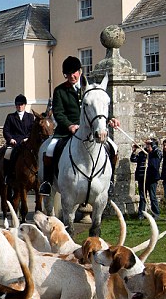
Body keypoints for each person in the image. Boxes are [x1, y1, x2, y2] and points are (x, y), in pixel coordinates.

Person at [39, 56, 120, 195]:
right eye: (68, 74)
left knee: (114, 148)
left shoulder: (92, 88)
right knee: (50, 150)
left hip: (90, 131)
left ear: (80, 71)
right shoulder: (60, 90)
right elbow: (58, 113)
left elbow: (98, 108)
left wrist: (111, 119)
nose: (71, 76)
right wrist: (70, 125)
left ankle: (110, 181)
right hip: (66, 131)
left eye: (74, 72)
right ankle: (47, 182)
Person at [2, 94, 35, 185]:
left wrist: (27, 138)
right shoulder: (10, 117)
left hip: (26, 142)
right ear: (15, 105)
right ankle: (7, 176)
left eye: (21, 104)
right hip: (14, 142)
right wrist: (10, 139)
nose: (19, 106)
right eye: (18, 105)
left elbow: (32, 130)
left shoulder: (30, 117)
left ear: (25, 105)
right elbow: (6, 130)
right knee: (7, 155)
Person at [130, 138, 162, 218]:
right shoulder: (142, 153)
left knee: (152, 196)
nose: (147, 146)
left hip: (151, 178)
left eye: (149, 144)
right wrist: (134, 151)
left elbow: (157, 153)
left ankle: (156, 214)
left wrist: (152, 145)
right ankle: (141, 214)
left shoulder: (156, 153)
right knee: (142, 197)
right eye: (147, 144)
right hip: (142, 178)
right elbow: (133, 159)